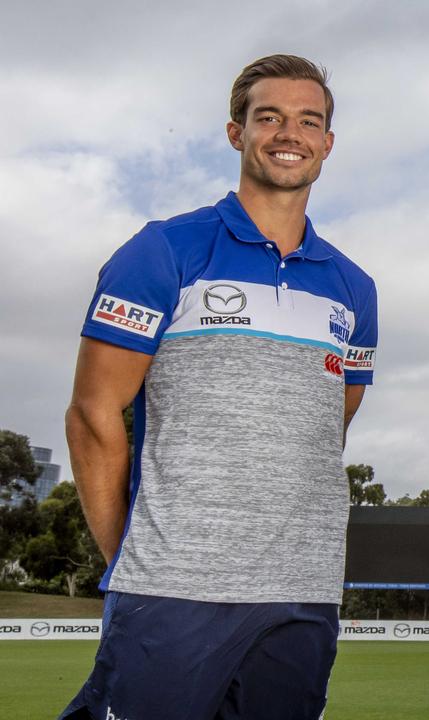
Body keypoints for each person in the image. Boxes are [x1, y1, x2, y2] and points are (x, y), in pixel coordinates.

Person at [61, 54, 377, 720]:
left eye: (308, 121)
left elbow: (326, 428)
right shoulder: (164, 251)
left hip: (303, 592)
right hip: (174, 590)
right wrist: (136, 554)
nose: (289, 134)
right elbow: (94, 414)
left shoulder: (355, 289)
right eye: (269, 117)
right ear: (237, 133)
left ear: (327, 143)